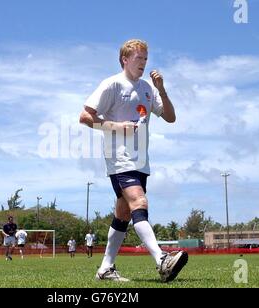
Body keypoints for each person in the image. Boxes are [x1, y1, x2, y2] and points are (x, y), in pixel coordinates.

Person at [79, 39, 188, 282]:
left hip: (141, 161)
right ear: (124, 60)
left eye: (145, 59)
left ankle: (105, 268)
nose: (143, 63)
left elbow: (170, 118)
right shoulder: (112, 85)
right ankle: (161, 259)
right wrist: (117, 126)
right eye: (138, 58)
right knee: (139, 202)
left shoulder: (148, 88)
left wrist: (162, 89)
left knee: (123, 213)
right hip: (119, 158)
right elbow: (85, 116)